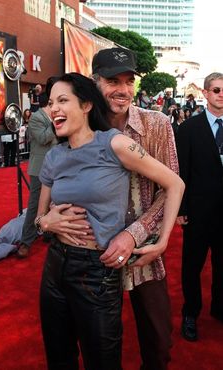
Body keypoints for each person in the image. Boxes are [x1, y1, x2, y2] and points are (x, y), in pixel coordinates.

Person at [40, 48, 181, 370]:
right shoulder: (74, 127)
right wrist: (44, 221)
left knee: (158, 342)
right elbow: (50, 195)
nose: (124, 90)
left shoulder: (155, 124)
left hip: (140, 252)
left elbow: (172, 185)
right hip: (85, 260)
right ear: (95, 82)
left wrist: (136, 235)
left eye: (129, 81)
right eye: (113, 80)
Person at [176, 72, 223, 342]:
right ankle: (190, 313)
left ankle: (219, 307)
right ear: (205, 93)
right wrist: (181, 208)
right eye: (216, 90)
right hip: (197, 212)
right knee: (192, 266)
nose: (221, 94)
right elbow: (180, 171)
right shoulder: (189, 129)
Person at [17, 91, 57, 258]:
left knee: (55, 200)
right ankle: (26, 241)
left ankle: (48, 233)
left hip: (58, 166)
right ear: (49, 101)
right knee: (35, 205)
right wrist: (55, 123)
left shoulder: (59, 115)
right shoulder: (36, 118)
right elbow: (42, 138)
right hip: (40, 168)